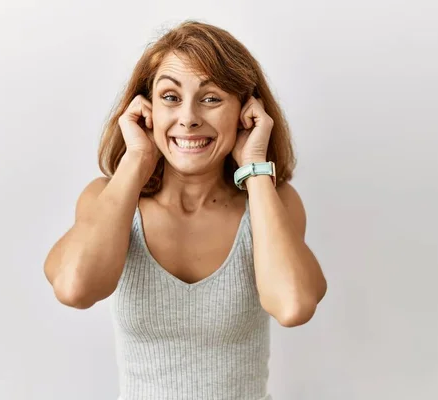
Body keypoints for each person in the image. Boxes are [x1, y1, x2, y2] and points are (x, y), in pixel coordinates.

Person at [43, 19, 327, 400]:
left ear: (246, 112)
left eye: (211, 98)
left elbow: (293, 306)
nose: (189, 117)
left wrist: (255, 166)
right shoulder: (106, 199)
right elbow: (75, 289)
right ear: (146, 110)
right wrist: (136, 160)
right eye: (171, 98)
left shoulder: (273, 202)